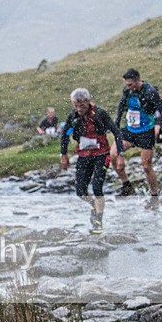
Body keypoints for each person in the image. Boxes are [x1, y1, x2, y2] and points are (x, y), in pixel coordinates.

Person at [59, 88, 124, 234]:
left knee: (97, 186)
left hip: (102, 154)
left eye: (81, 105)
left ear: (88, 102)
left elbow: (116, 132)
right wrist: (63, 154)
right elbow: (65, 135)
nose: (78, 108)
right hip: (84, 155)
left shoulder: (99, 114)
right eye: (75, 105)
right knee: (80, 191)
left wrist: (120, 154)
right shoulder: (73, 117)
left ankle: (98, 221)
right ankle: (94, 205)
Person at [110, 68, 162, 209]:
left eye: (130, 84)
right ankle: (126, 185)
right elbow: (121, 106)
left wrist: (160, 127)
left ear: (138, 80)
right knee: (113, 154)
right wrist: (116, 123)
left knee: (146, 166)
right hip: (130, 130)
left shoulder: (150, 91)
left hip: (146, 131)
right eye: (126, 84)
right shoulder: (127, 91)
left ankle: (154, 197)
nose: (128, 87)